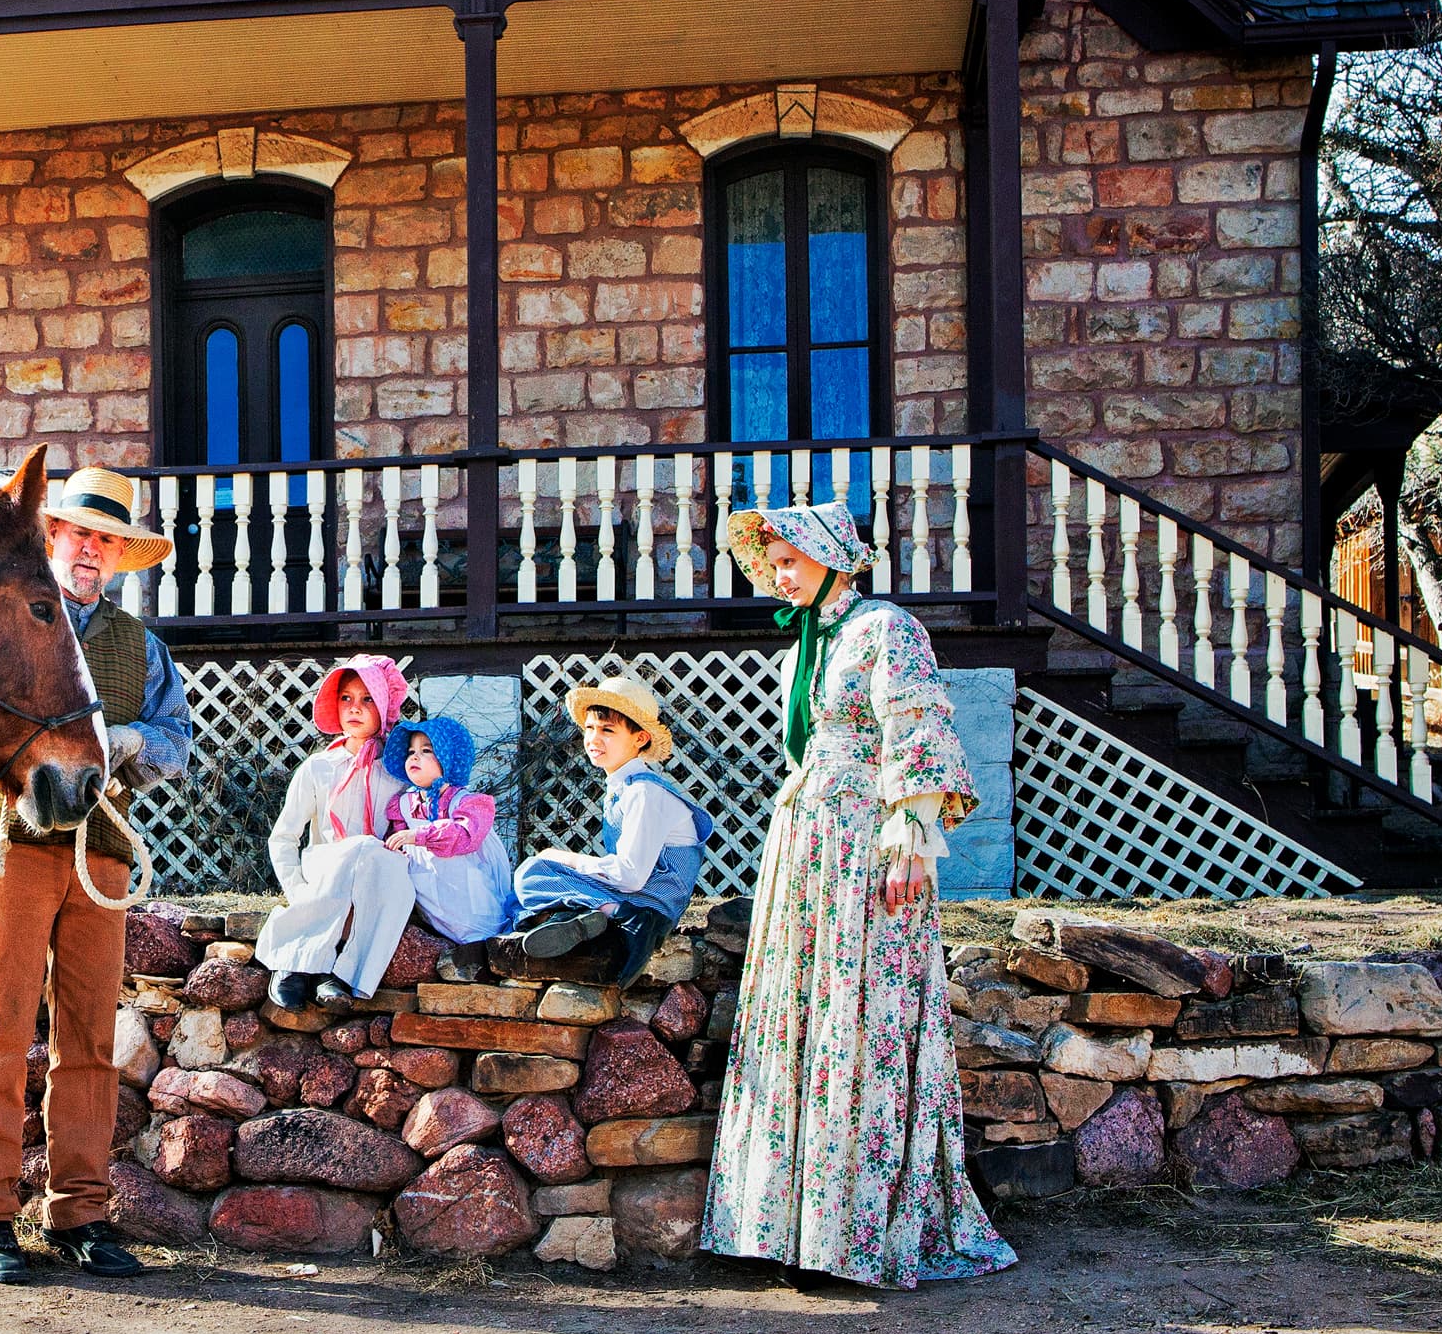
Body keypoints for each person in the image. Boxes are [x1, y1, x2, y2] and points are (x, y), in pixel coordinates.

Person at [701, 500, 1015, 1290]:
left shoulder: (885, 628)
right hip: (804, 850)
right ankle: (788, 1229)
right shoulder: (807, 642)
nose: (779, 574)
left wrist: (910, 839)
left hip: (865, 848)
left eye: (791, 559)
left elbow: (917, 728)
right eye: (771, 563)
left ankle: (857, 1231)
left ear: (833, 556)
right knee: (803, 1015)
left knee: (862, 1010)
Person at [0, 465, 193, 1287]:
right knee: (2, 1029)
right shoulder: (9, 623)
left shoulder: (141, 648)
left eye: (105, 539)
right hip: (18, 842)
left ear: (118, 556)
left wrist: (129, 742)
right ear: (51, 538)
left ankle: (79, 1213)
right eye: (77, 533)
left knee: (90, 1039)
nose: (88, 549)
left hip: (103, 855)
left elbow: (176, 742)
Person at [501, 674, 711, 981]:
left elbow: (631, 875)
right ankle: (581, 919)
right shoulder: (622, 787)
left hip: (652, 903)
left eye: (607, 730)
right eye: (590, 728)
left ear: (640, 738)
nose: (594, 739)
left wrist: (568, 859)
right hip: (633, 895)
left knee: (535, 870)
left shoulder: (645, 793)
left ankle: (619, 917)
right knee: (528, 880)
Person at [254, 656, 417, 1012]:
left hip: (373, 874)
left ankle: (341, 974)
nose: (354, 708)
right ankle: (293, 962)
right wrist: (297, 891)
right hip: (325, 870)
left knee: (387, 868)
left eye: (367, 699)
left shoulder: (399, 771)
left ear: (385, 705)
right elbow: (283, 838)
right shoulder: (318, 767)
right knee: (356, 850)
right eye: (346, 698)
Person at [377, 717, 513, 946]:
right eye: (411, 752)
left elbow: (462, 835)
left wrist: (419, 837)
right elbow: (397, 843)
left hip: (468, 895)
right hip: (433, 903)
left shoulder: (464, 802)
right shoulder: (402, 805)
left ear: (446, 757)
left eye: (426, 751)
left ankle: (486, 948)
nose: (415, 757)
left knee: (478, 931)